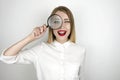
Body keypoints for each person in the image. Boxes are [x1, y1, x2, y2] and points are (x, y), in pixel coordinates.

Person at [0, 6, 86, 80]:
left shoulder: (81, 50)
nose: (62, 26)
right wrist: (30, 37)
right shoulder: (40, 49)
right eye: (56, 21)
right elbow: (6, 57)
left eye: (67, 21)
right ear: (51, 25)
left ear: (72, 25)